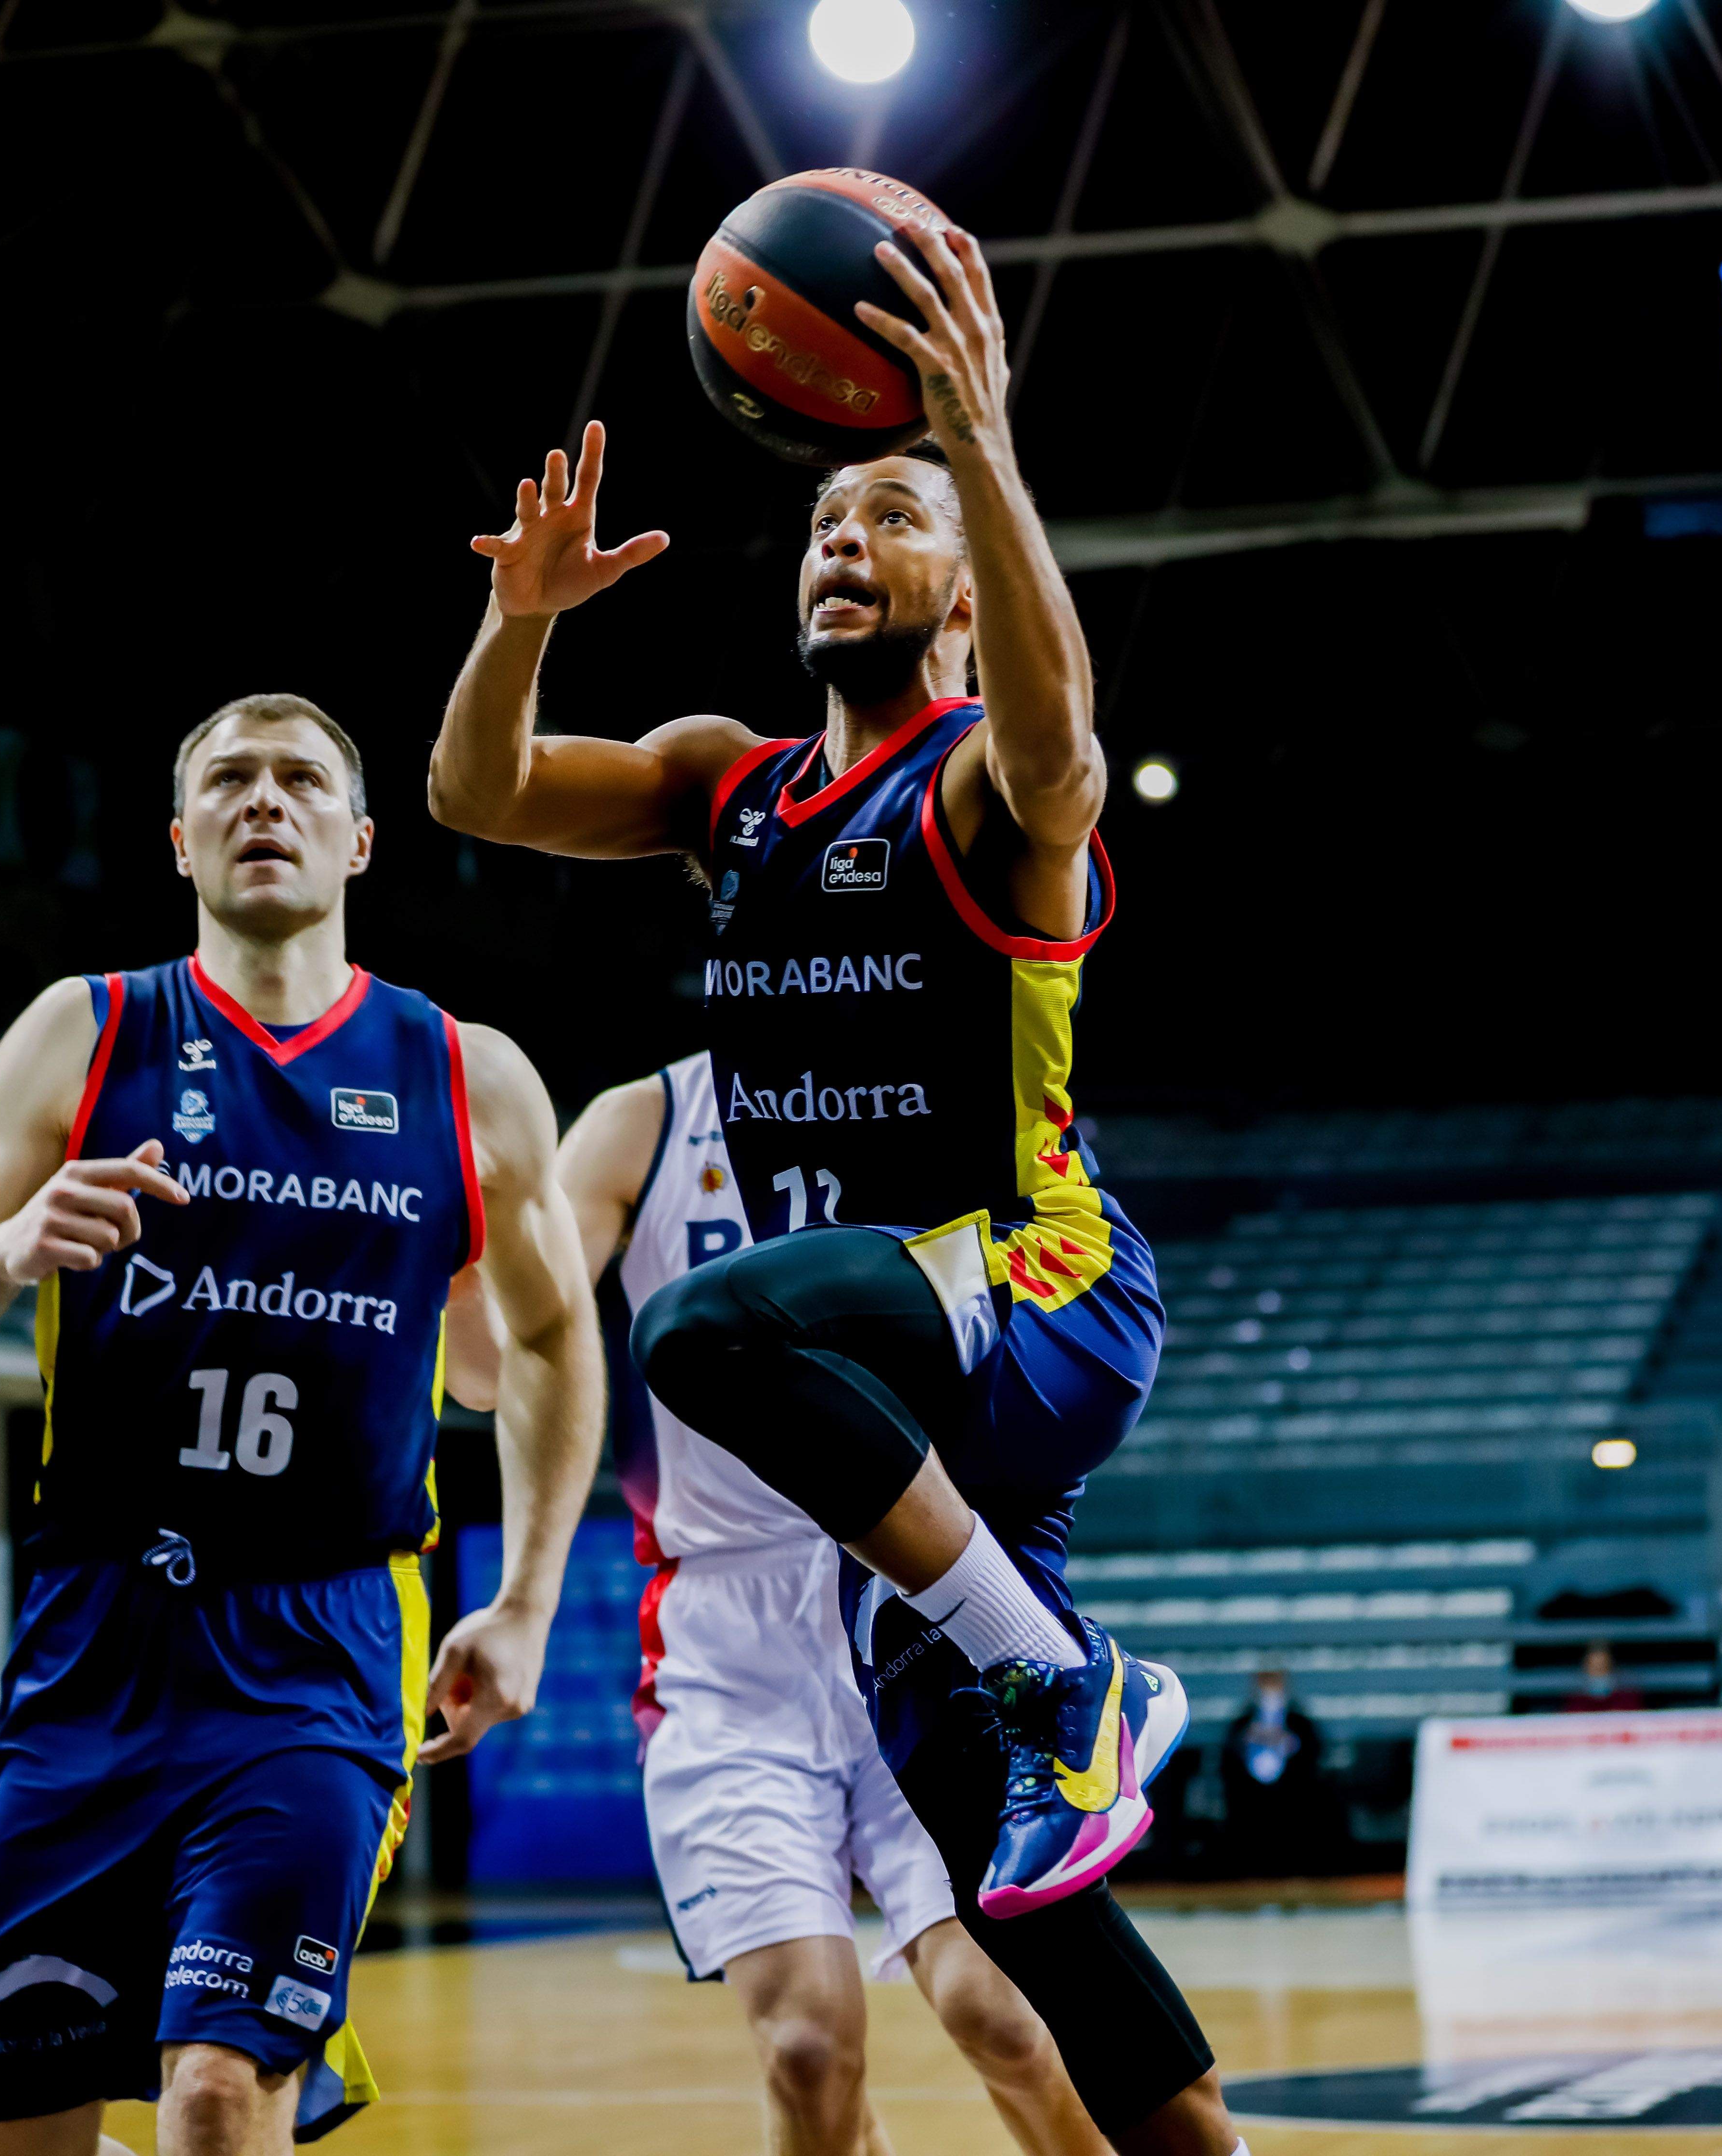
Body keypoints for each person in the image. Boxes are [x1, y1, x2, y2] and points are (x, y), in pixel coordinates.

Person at [426, 216, 1236, 2156]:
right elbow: (477, 792)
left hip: (1035, 1291)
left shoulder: (980, 784)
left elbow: (1062, 754)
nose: (840, 544)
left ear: (967, 585)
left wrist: (981, 446)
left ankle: (1078, 1678)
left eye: (892, 520)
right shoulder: (740, 788)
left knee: (704, 1325)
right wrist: (524, 614)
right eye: (823, 524)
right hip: (890, 1387)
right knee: (1023, 1898)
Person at [0, 693, 606, 2156]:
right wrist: (8, 1245)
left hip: (320, 1641)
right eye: (229, 778)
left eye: (301, 778)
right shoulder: (86, 1030)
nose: (265, 800)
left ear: (360, 836)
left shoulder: (464, 1072)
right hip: (94, 1635)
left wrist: (522, 1599)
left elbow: (540, 1337)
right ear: (179, 836)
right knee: (9, 2132)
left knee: (215, 2086)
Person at [446, 1052, 1108, 2156]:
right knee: (807, 2048)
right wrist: (472, 1249)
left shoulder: (927, 1088)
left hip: (914, 1606)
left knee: (1003, 2017)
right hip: (725, 1631)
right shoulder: (640, 1124)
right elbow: (486, 1372)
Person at [1216, 1672, 1326, 1880]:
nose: (1270, 1693)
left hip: (1291, 1799)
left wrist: (1289, 1743)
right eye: (1265, 1685)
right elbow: (1228, 1758)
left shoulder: (1299, 1722)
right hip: (1250, 1802)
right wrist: (1248, 1740)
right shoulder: (1243, 1722)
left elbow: (1313, 1754)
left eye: (1275, 1685)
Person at [1558, 1642, 1646, 1714]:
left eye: (1603, 1667)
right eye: (1595, 1668)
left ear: (1611, 1666)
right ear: (1586, 1667)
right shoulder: (1576, 1698)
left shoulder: (1626, 1695)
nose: (1599, 1672)